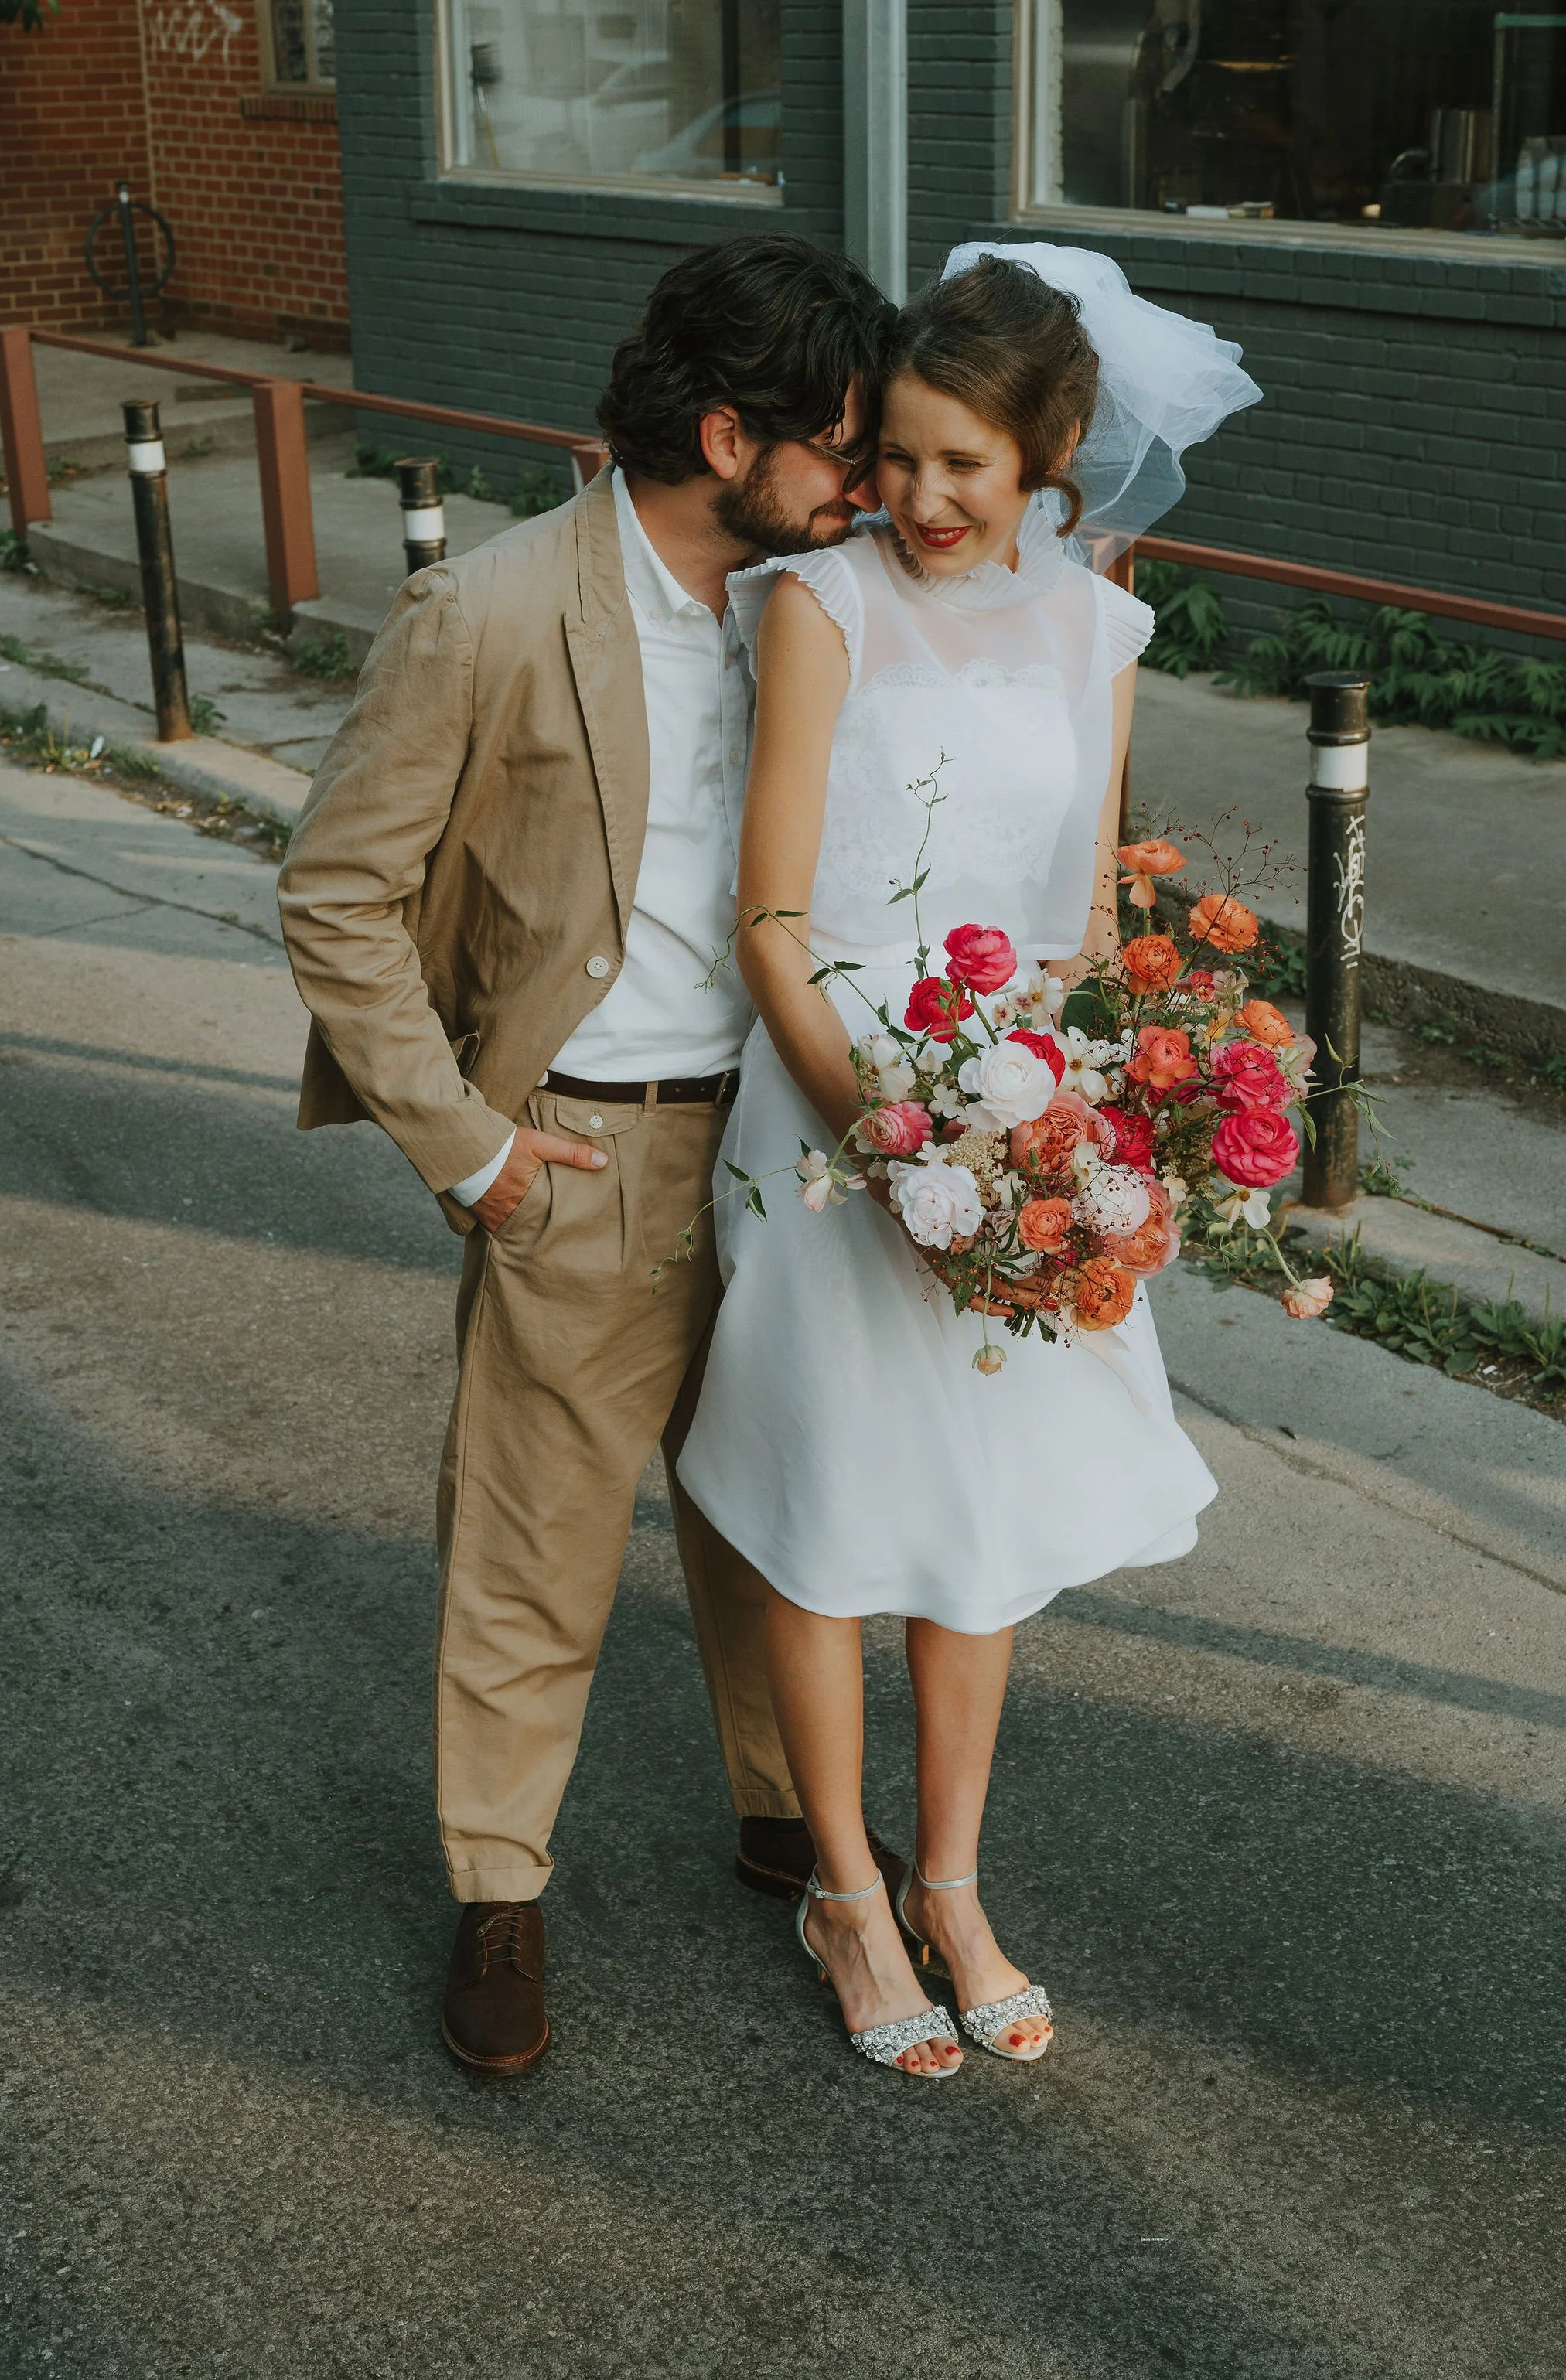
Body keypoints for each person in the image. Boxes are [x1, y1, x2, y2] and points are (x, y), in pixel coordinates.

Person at [275, 235, 902, 2077]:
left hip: (783, 1152)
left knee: (783, 1514)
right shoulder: (485, 613)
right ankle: (498, 1886)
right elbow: (336, 895)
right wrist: (469, 1151)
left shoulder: (826, 597)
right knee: (533, 1555)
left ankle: (790, 1811)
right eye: (839, 447)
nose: (861, 484)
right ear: (727, 434)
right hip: (583, 1158)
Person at [677, 245, 1259, 2078]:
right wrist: (883, 1132)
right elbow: (769, 916)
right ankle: (843, 1890)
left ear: (1052, 455)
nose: (919, 502)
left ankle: (952, 1879)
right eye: (901, 456)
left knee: (982, 1521)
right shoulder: (818, 602)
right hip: (833, 1105)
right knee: (834, 1504)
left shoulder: (1100, 629)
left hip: (1011, 1108)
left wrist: (1063, 1130)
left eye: (964, 469)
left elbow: (1081, 916)